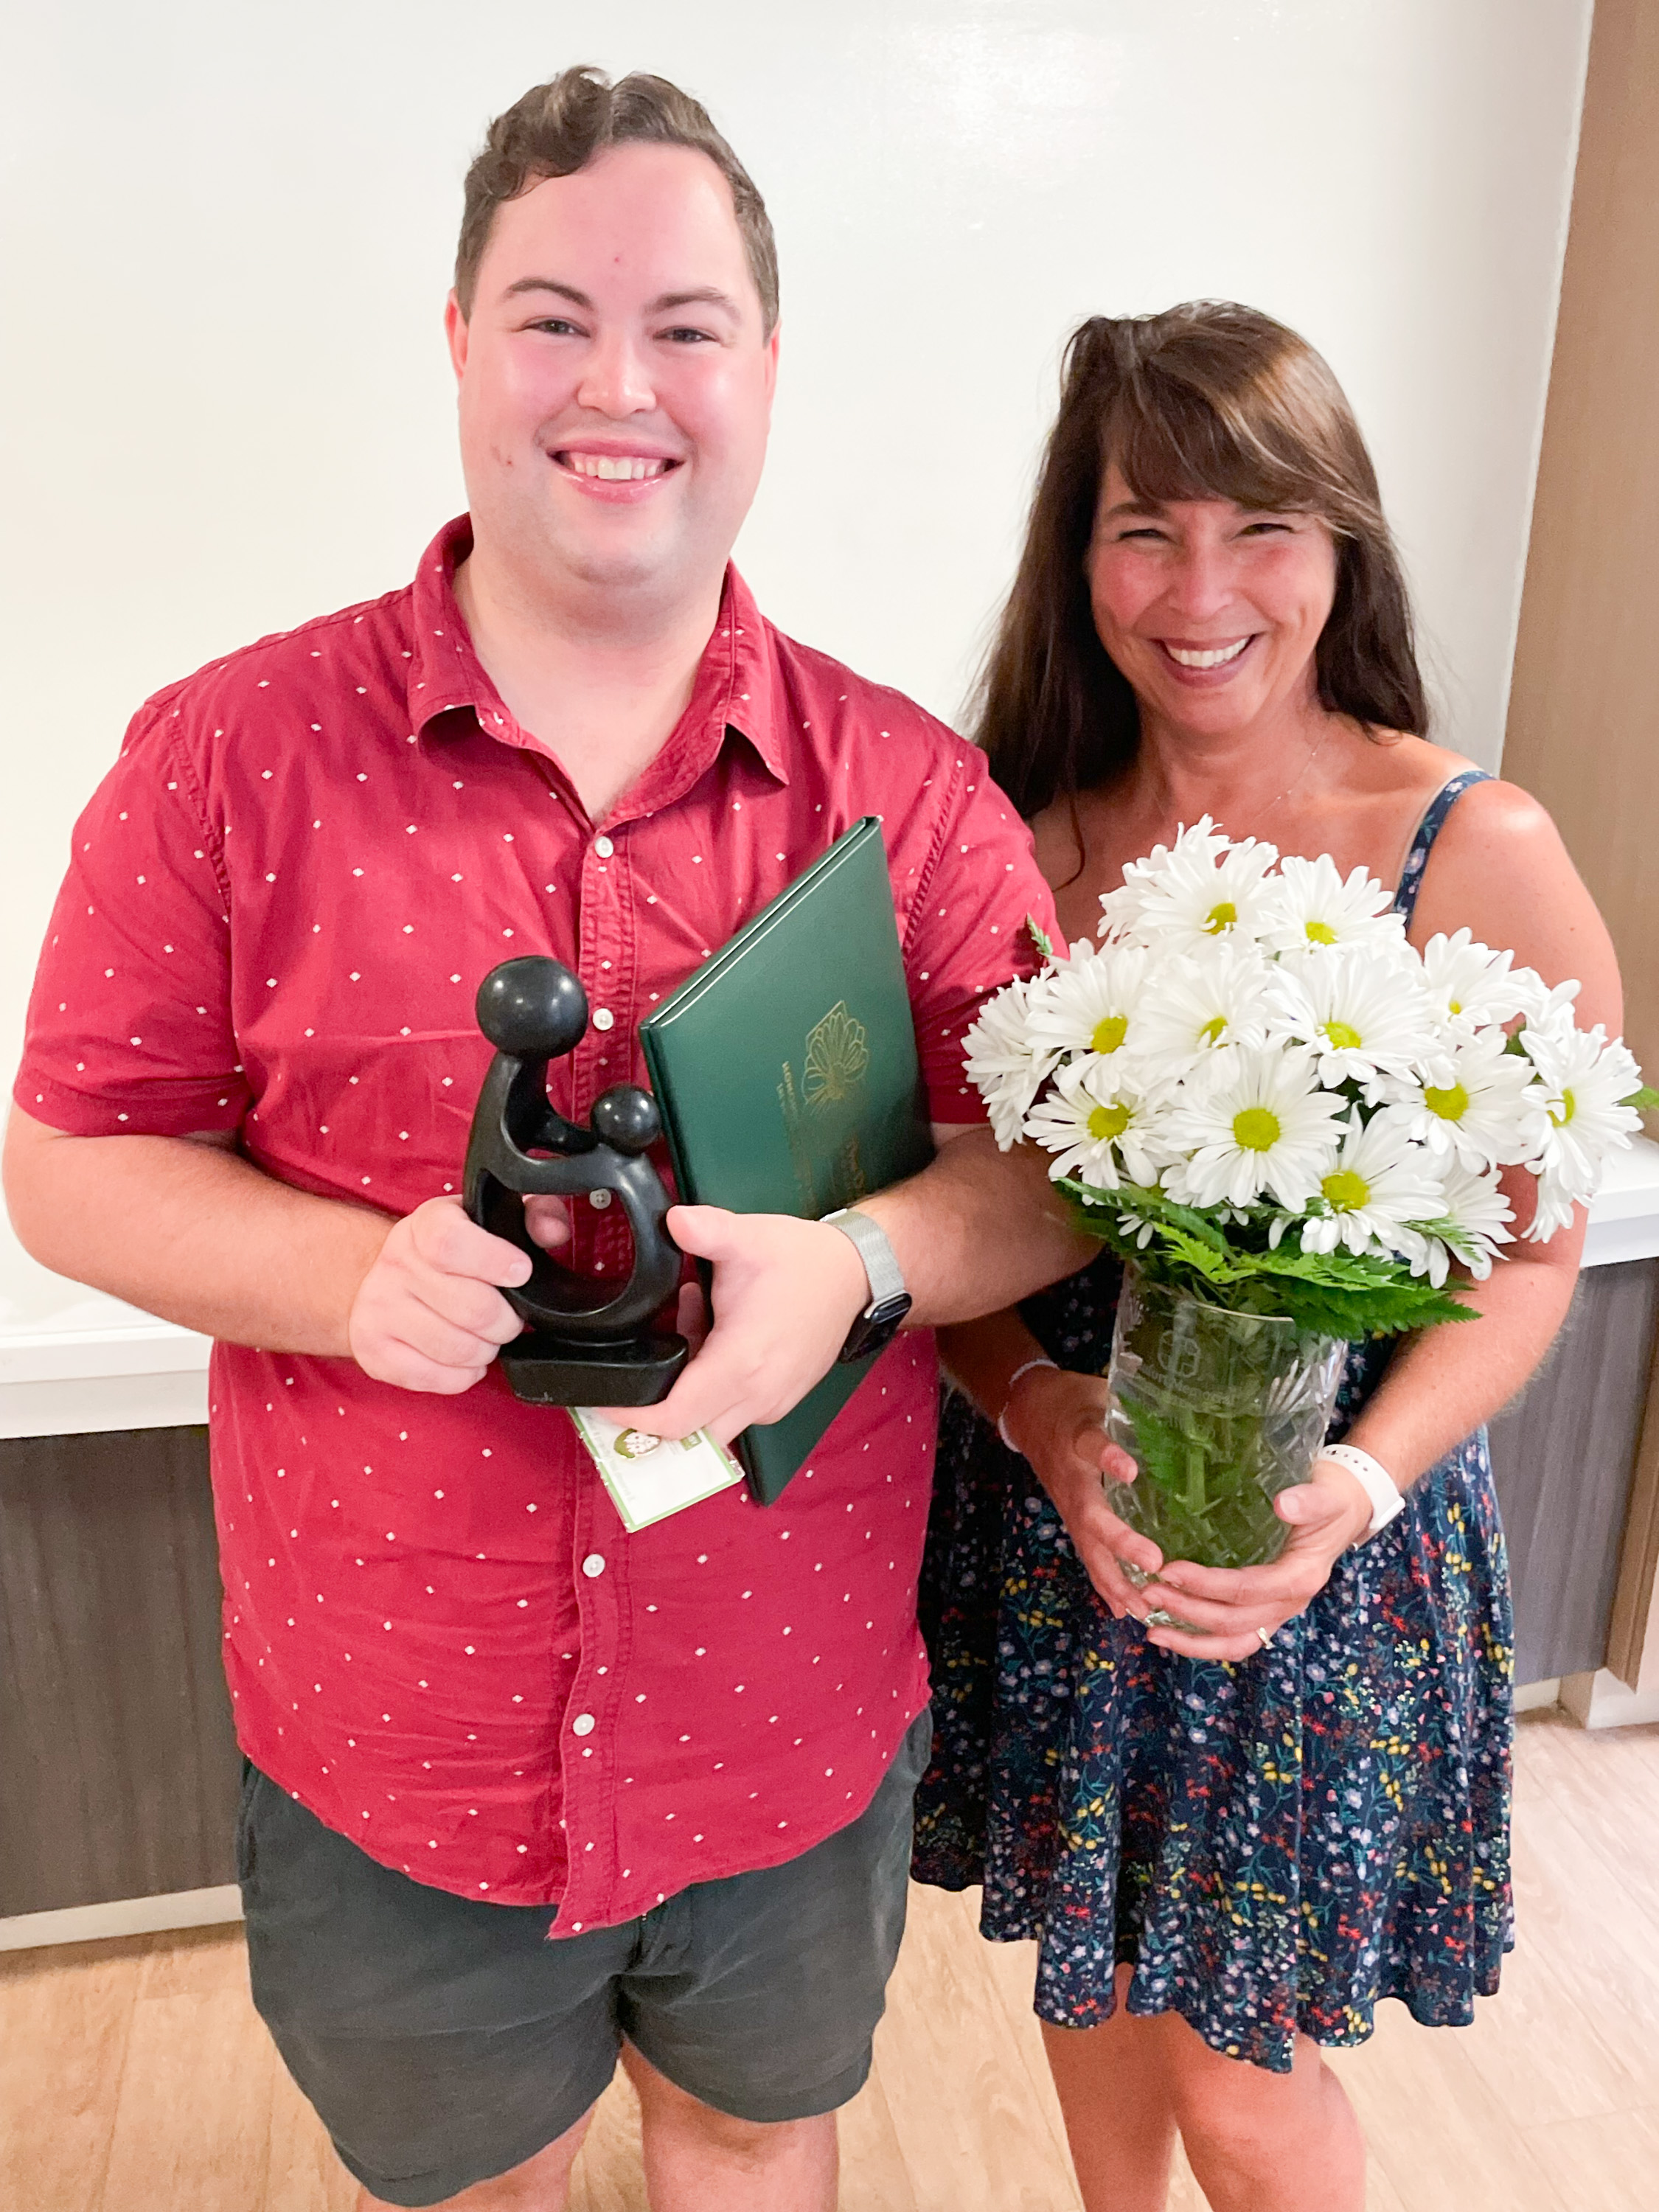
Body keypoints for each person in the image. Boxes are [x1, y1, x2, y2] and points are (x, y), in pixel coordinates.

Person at [1, 69, 1085, 2212]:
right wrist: (343, 1275)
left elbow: (1036, 1173)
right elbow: (67, 1158)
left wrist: (860, 1262)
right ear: (457, 345)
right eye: (552, 317)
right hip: (390, 1728)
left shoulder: (912, 794)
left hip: (780, 1716)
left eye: (685, 324)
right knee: (472, 2178)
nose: (620, 384)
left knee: (760, 2136)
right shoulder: (227, 759)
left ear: (764, 371)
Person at [913, 302, 1622, 2212]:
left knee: (1243, 2080)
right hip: (1068, 1512)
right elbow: (941, 1206)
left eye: (1260, 528)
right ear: (1078, 560)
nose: (1198, 588)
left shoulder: (1466, 843)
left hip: (1324, 1543)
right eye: (1144, 528)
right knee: (1089, 1973)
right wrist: (1040, 1406)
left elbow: (1531, 1254)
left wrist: (1358, 1482)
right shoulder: (1007, 840)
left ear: (1340, 546)